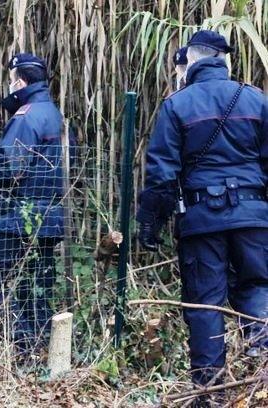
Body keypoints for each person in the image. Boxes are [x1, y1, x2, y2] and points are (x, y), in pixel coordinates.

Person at [137, 30, 268, 395]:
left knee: (204, 304)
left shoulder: (177, 105)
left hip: (201, 221)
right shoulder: (257, 101)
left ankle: (210, 393)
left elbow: (162, 173)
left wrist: (150, 225)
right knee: (258, 289)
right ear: (223, 60)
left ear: (191, 60)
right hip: (254, 218)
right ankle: (262, 382)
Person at [0, 53, 71, 353]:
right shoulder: (57, 116)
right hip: (52, 217)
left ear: (19, 81)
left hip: (19, 217)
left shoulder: (26, 117)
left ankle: (14, 343)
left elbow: (11, 168)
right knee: (35, 289)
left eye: (11, 80)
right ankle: (35, 351)